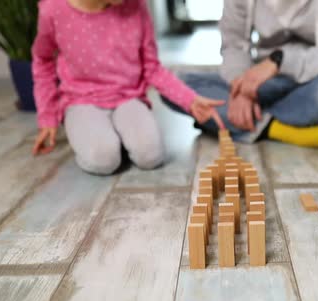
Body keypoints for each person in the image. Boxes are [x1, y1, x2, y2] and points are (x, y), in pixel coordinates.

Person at [31, 0, 225, 175]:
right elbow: (42, 60)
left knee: (150, 156)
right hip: (81, 100)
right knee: (104, 160)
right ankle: (103, 138)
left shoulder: (136, 6)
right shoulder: (53, 9)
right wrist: (48, 116)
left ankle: (117, 137)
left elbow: (152, 68)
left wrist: (190, 100)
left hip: (128, 97)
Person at [166, 0, 318, 152]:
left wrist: (280, 61)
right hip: (263, 83)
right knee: (172, 84)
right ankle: (280, 129)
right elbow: (234, 45)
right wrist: (241, 88)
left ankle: (240, 124)